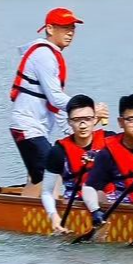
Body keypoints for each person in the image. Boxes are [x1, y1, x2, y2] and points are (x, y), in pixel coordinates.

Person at [9, 6, 83, 199]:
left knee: (37, 177)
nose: (70, 33)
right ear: (50, 29)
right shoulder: (44, 55)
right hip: (28, 128)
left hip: (35, 129)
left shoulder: (51, 54)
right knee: (54, 174)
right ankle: (45, 222)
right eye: (65, 27)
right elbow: (56, 98)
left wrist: (71, 130)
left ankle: (22, 219)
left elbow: (55, 105)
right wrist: (85, 110)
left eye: (73, 28)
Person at [81, 93, 133, 230]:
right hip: (124, 207)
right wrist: (95, 211)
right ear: (120, 122)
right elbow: (89, 187)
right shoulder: (108, 153)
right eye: (131, 120)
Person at [40, 94, 105, 235]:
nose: (82, 125)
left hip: (109, 199)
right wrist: (53, 216)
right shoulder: (58, 151)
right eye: (77, 120)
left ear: (95, 119)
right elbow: (46, 192)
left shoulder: (109, 140)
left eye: (87, 119)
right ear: (69, 122)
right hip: (76, 202)